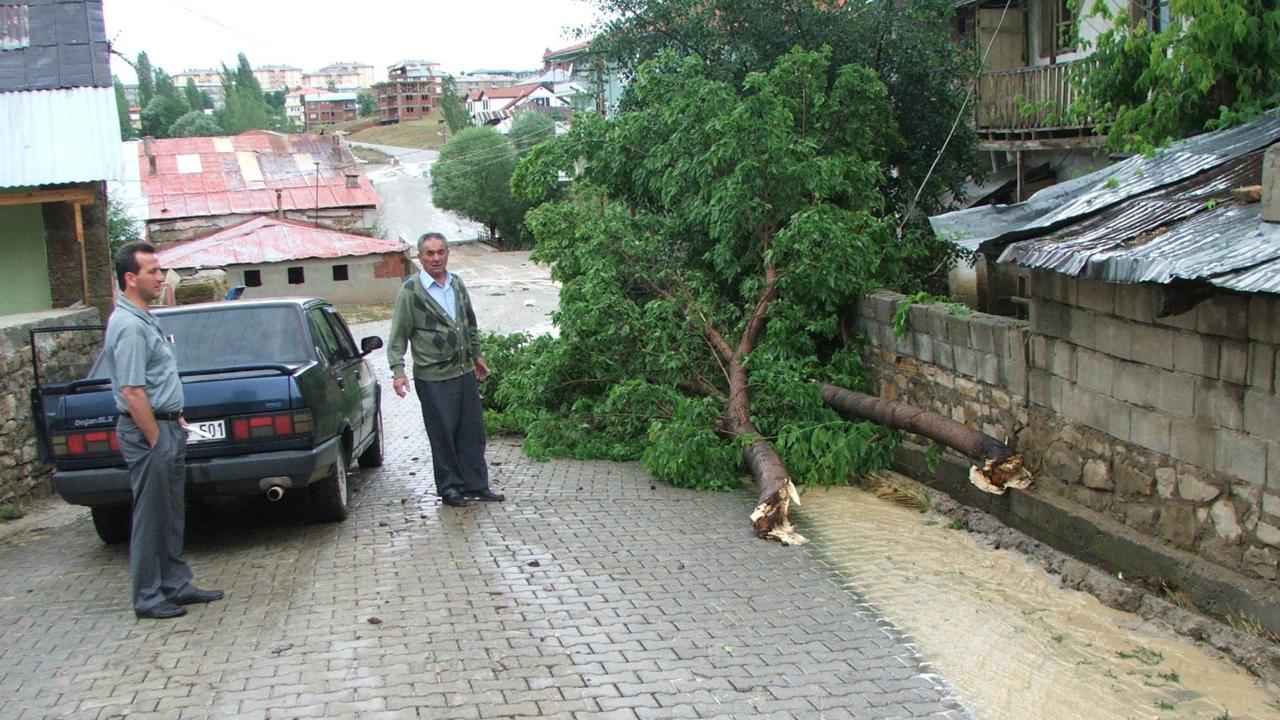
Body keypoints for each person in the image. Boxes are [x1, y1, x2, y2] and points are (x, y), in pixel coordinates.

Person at [104, 242, 223, 619]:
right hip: (148, 433)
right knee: (151, 514)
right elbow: (132, 390)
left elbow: (154, 383)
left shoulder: (144, 319)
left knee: (170, 512)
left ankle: (175, 583)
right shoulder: (128, 326)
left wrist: (175, 418)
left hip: (166, 425)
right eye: (152, 271)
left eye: (160, 270)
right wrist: (155, 435)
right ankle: (149, 595)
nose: (161, 277)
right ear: (130, 278)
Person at [388, 232, 504, 507]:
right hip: (433, 377)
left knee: (472, 431)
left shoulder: (457, 284)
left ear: (448, 254)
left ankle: (477, 484)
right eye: (430, 253)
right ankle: (450, 488)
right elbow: (398, 336)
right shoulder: (411, 292)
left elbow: (469, 323)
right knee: (443, 435)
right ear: (420, 257)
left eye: (441, 252)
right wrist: (398, 371)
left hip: (464, 372)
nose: (436, 258)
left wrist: (477, 355)